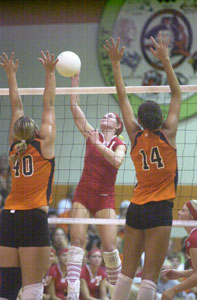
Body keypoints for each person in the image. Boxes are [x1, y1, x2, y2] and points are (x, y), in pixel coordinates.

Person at [104, 32, 181, 300]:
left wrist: (116, 64)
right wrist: (166, 60)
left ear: (139, 120)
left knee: (127, 271)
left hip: (136, 207)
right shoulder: (168, 134)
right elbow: (176, 93)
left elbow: (123, 98)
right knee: (150, 274)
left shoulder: (135, 137)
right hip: (160, 208)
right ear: (160, 118)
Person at [0, 50, 58, 300]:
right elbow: (49, 103)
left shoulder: (14, 145)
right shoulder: (43, 145)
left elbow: (16, 104)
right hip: (34, 218)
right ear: (36, 130)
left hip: (8, 217)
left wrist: (11, 75)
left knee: (7, 288)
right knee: (34, 288)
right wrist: (50, 73)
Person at [67, 74, 127, 299]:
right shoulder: (93, 134)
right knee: (77, 241)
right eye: (105, 115)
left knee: (110, 248)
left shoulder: (119, 143)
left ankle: (116, 293)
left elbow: (117, 161)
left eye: (110, 116)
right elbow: (74, 107)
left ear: (118, 125)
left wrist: (98, 144)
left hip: (105, 197)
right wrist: (74, 84)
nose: (105, 116)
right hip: (82, 194)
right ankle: (73, 292)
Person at [161, 199, 197, 300]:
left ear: (191, 216)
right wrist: (180, 273)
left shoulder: (194, 239)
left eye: (183, 210)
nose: (178, 212)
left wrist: (173, 290)